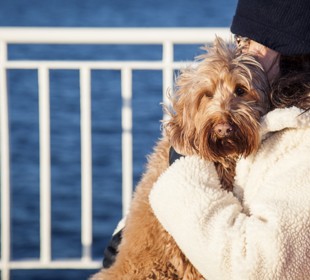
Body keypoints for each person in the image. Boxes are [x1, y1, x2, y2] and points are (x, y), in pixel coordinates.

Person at [148, 0, 310, 279]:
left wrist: (183, 168)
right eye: (239, 40)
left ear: (292, 54)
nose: (240, 52)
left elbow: (256, 269)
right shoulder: (265, 109)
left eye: (253, 43)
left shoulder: (300, 136)